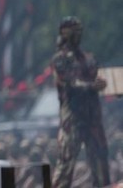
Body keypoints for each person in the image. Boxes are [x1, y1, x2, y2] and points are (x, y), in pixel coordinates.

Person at [49, 16, 110, 188]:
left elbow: (100, 79)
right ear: (64, 32)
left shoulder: (89, 58)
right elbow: (69, 82)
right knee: (66, 165)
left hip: (93, 119)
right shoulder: (60, 59)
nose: (77, 34)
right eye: (73, 30)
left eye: (78, 30)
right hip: (73, 120)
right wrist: (91, 86)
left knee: (100, 162)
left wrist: (112, 86)